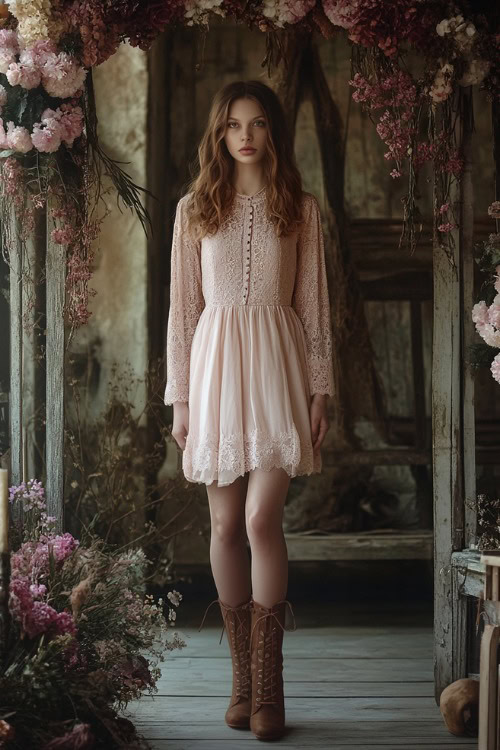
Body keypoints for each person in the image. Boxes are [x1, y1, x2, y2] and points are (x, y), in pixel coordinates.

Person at [164, 79, 334, 741]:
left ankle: (271, 690)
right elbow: (183, 315)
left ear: (272, 133)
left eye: (258, 123)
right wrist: (179, 400)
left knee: (263, 517)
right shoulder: (193, 210)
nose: (245, 134)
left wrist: (321, 390)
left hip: (279, 373)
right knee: (226, 523)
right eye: (234, 123)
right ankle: (242, 685)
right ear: (220, 132)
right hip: (214, 376)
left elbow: (314, 306)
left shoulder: (302, 208)